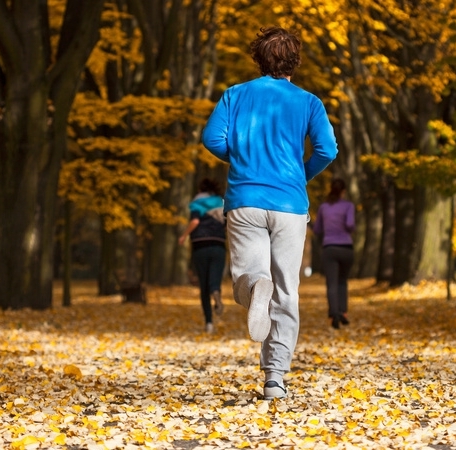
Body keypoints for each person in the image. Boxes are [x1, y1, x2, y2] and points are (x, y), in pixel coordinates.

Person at [201, 26, 338, 399]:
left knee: (248, 276)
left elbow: (212, 138)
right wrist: (300, 175)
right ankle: (275, 378)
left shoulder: (235, 94)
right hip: (291, 206)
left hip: (245, 199)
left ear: (258, 59)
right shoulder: (309, 101)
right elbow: (327, 149)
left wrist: (243, 160)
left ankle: (254, 288)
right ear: (295, 61)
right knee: (287, 290)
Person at [178, 178, 227, 334]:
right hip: (218, 245)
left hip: (200, 245)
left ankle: (209, 323)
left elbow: (195, 222)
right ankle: (217, 293)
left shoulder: (197, 203)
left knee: (203, 286)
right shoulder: (221, 203)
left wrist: (184, 235)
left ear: (201, 189)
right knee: (214, 280)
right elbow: (228, 223)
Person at [313, 179, 355, 329]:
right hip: (346, 248)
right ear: (343, 191)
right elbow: (350, 225)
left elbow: (317, 229)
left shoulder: (324, 207)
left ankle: (333, 315)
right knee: (343, 281)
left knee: (332, 283)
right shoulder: (348, 206)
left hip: (329, 248)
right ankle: (343, 312)